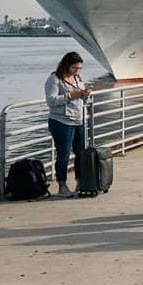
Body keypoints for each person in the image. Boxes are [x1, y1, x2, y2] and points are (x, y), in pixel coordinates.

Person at [44, 51, 92, 198]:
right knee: (64, 154)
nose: (77, 71)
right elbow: (51, 101)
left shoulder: (78, 79)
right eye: (74, 68)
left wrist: (85, 95)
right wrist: (70, 95)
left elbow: (82, 101)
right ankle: (62, 185)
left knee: (81, 153)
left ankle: (80, 181)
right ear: (66, 65)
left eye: (79, 68)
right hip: (61, 121)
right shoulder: (54, 79)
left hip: (78, 120)